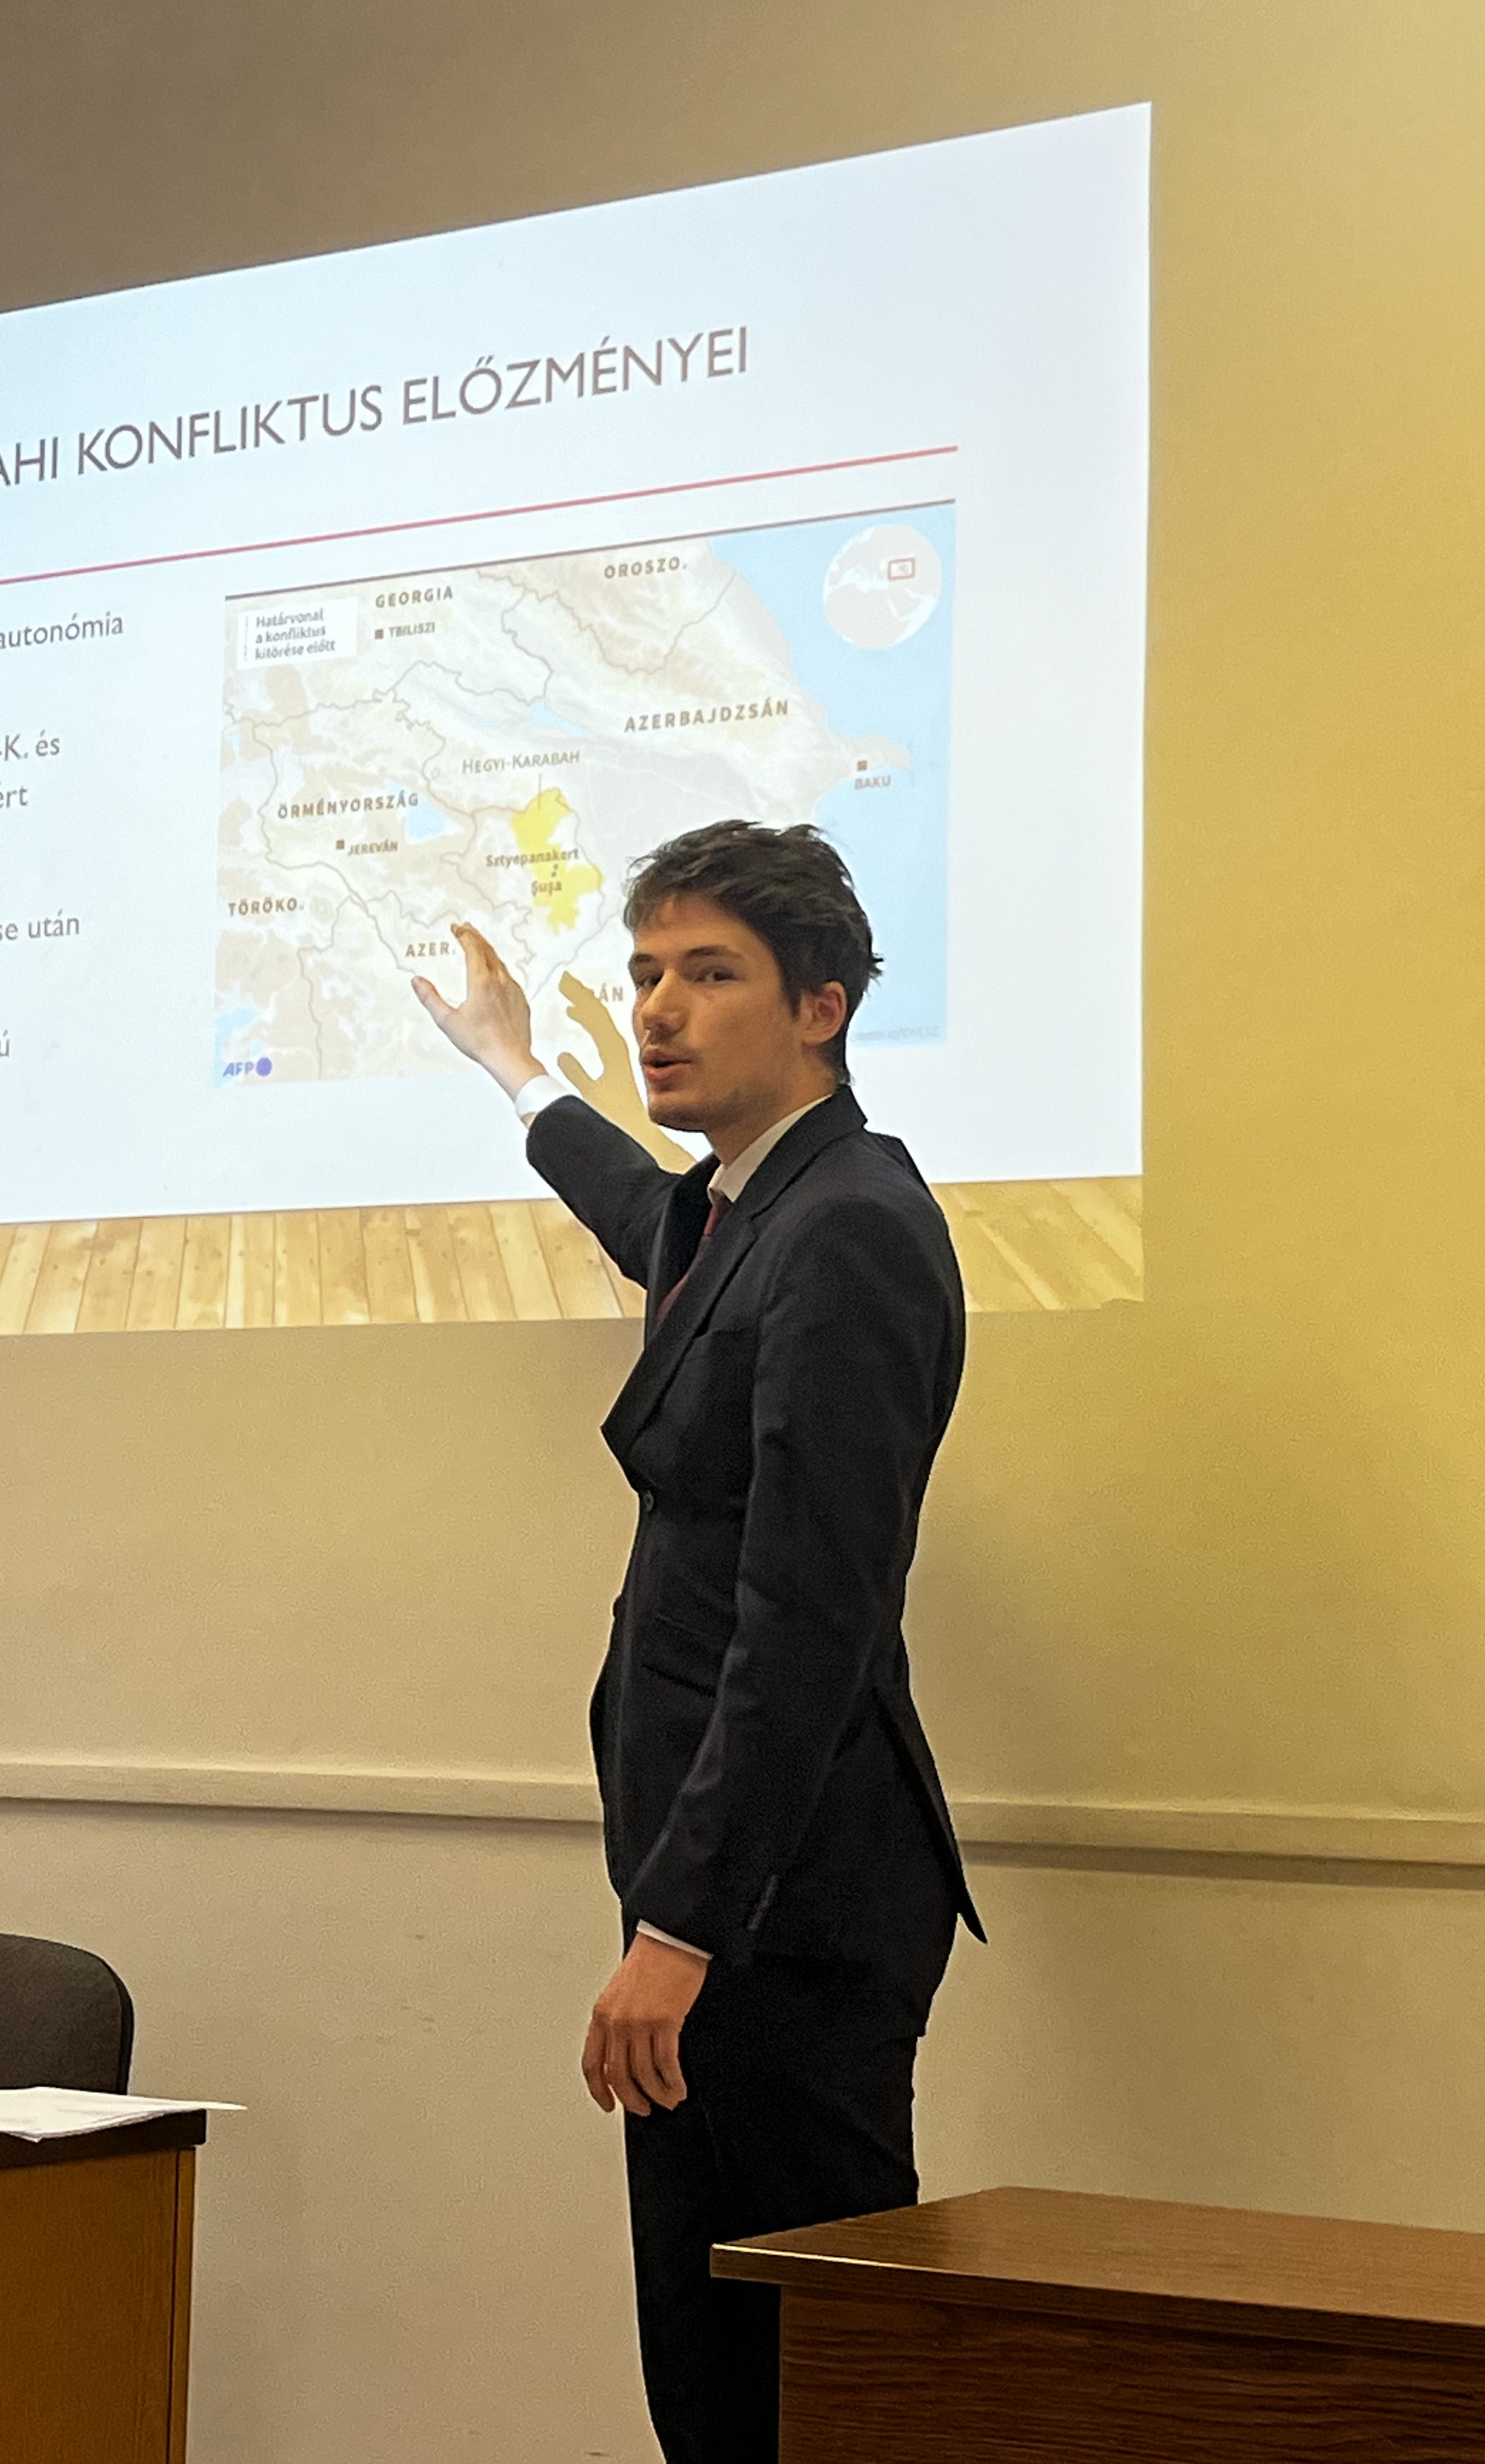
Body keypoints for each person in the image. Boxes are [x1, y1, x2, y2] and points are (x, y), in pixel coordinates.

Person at [414, 819, 980, 2462]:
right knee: (708, 2362)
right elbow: (636, 1208)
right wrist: (514, 1065)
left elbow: (809, 1622)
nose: (658, 1009)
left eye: (709, 974)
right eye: (647, 971)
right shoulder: (747, 1205)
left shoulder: (848, 1226)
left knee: (793, 2383)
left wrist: (683, 1930)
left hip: (780, 1907)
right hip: (727, 1892)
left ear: (821, 1006)